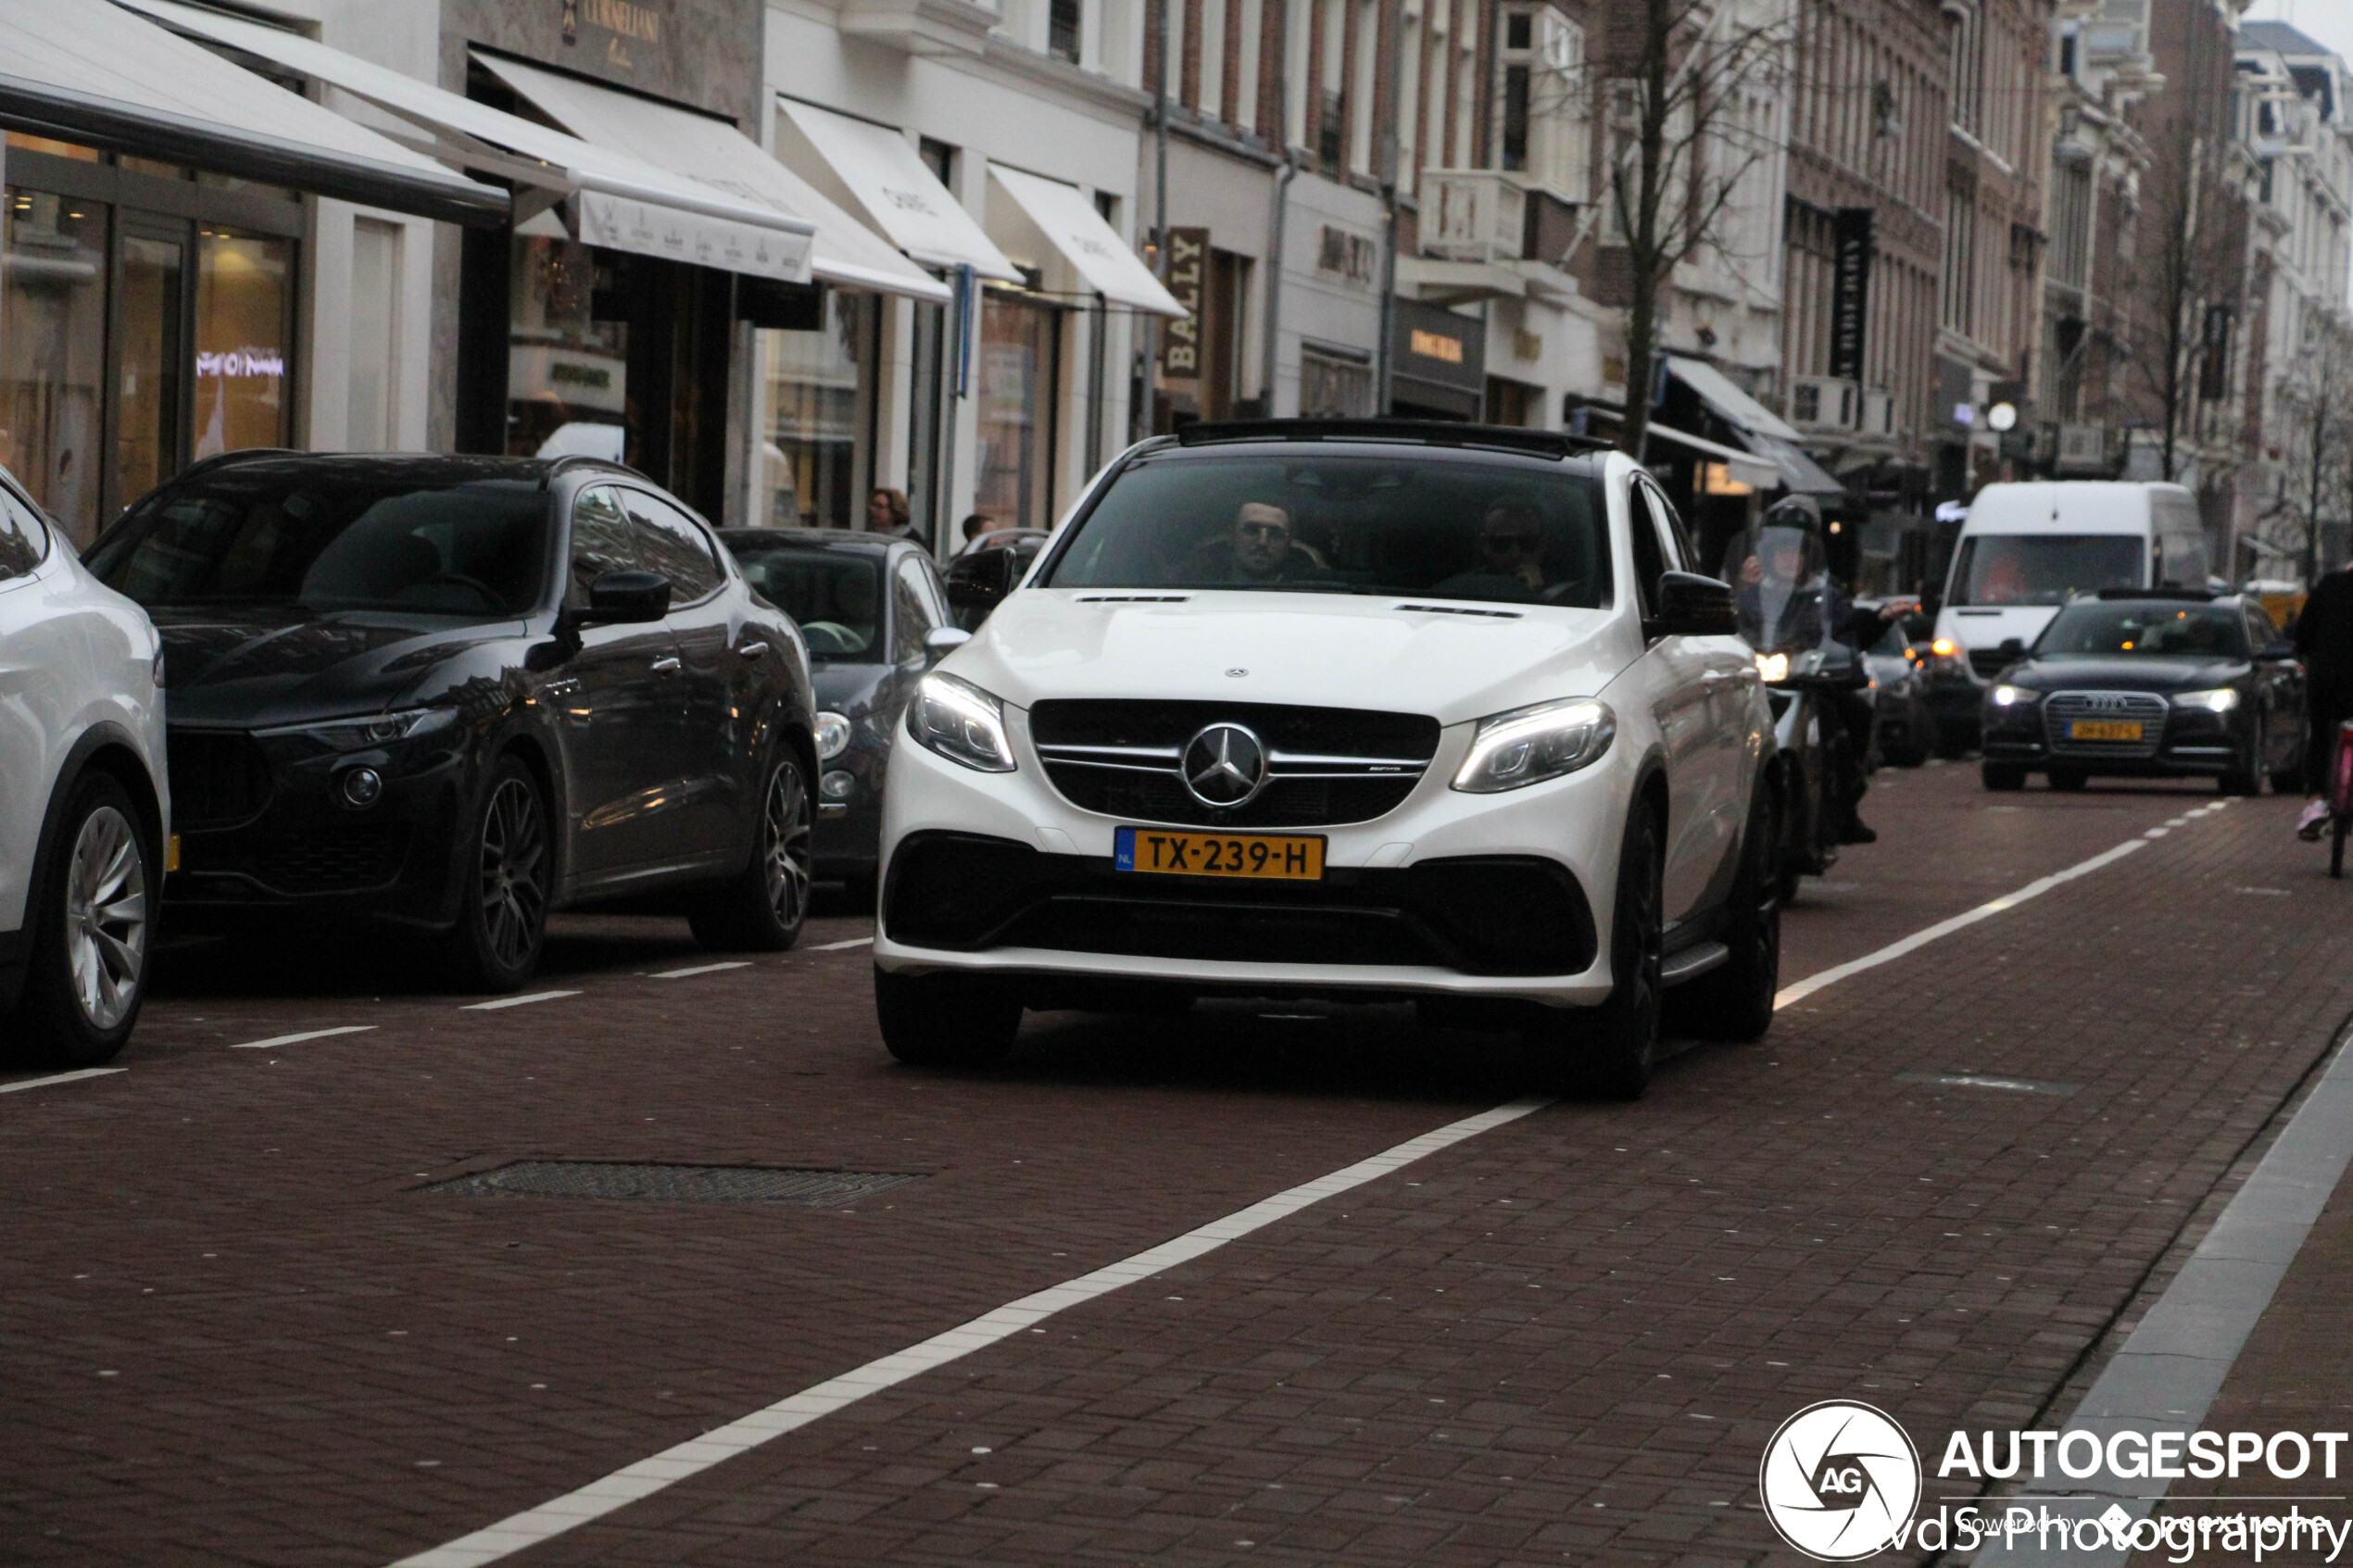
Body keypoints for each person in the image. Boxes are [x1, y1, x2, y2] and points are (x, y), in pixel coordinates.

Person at [2296, 565, 2353, 839]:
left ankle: (2316, 805)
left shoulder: (2329, 585)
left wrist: (2305, 654)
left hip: (2326, 680)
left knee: (2319, 735)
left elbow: (2303, 633)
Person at [1432, 499, 1551, 602]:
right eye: (1502, 543)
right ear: (1485, 545)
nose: (1515, 554)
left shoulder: (1566, 597)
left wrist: (1541, 593)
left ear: (1542, 545)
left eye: (1527, 543)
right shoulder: (1453, 592)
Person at [1182, 502, 1324, 584]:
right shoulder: (1185, 583)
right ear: (1231, 536)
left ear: (1289, 544)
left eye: (1275, 534)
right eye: (1252, 530)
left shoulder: (1315, 595)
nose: (1263, 542)